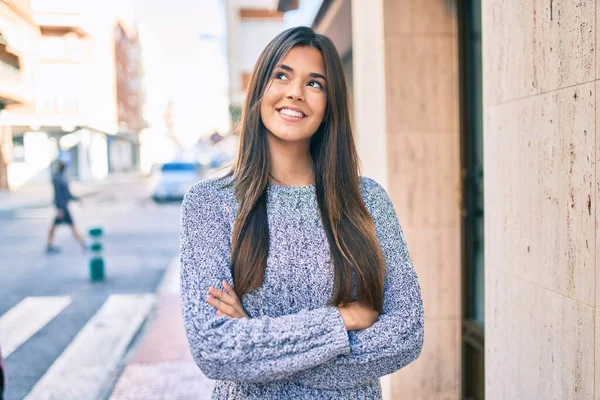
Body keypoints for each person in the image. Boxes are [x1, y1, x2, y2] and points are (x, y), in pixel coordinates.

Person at [180, 26, 424, 399]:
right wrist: (340, 321)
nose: (295, 91)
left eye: (315, 84)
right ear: (260, 89)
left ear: (329, 106)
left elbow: (406, 332)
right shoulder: (210, 204)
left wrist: (258, 342)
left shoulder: (367, 200)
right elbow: (215, 349)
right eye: (282, 75)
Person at [46, 160, 87, 254]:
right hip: (62, 208)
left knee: (60, 226)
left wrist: (76, 199)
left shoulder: (61, 178)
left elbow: (67, 194)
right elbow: (59, 195)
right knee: (69, 226)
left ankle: (49, 245)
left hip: (63, 207)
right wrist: (59, 208)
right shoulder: (58, 179)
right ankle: (83, 243)